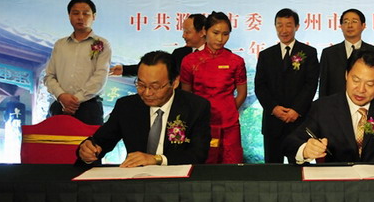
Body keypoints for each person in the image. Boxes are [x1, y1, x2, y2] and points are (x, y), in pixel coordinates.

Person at [77, 51, 211, 166]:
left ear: (175, 82)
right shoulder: (127, 106)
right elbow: (101, 141)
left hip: (177, 181)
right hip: (136, 181)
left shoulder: (196, 107)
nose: (147, 93)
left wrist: (156, 159)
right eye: (141, 85)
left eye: (155, 86)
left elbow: (198, 154)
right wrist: (87, 151)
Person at [180, 12, 247, 164]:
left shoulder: (236, 61)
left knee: (232, 166)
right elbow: (186, 95)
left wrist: (228, 109)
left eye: (225, 34)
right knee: (203, 166)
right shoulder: (190, 61)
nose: (220, 39)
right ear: (205, 31)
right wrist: (199, 115)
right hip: (202, 124)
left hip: (229, 125)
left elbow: (242, 93)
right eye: (215, 33)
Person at [255, 8, 319, 163]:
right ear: (275, 27)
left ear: (296, 27)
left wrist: (297, 110)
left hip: (298, 121)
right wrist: (273, 108)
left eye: (288, 25)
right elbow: (260, 86)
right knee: (272, 167)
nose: (284, 30)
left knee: (299, 166)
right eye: (280, 25)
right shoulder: (266, 55)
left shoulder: (309, 52)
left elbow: (311, 84)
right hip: (273, 122)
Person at [44, 0, 111, 125]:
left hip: (89, 108)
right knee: (55, 138)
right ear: (69, 16)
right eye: (75, 13)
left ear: (94, 16)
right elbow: (49, 76)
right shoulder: (60, 44)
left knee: (90, 139)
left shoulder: (101, 44)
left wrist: (75, 100)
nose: (80, 17)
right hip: (60, 106)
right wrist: (61, 96)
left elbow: (100, 77)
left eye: (86, 13)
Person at [111, 13, 206, 77]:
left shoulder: (214, 54)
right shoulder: (179, 53)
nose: (183, 36)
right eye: (183, 31)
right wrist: (125, 70)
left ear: (202, 32)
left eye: (187, 32)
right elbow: (157, 67)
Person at [319, 8, 374, 97]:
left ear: (363, 26)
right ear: (341, 27)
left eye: (354, 21)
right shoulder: (329, 53)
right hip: (336, 103)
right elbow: (323, 85)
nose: (349, 25)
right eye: (345, 22)